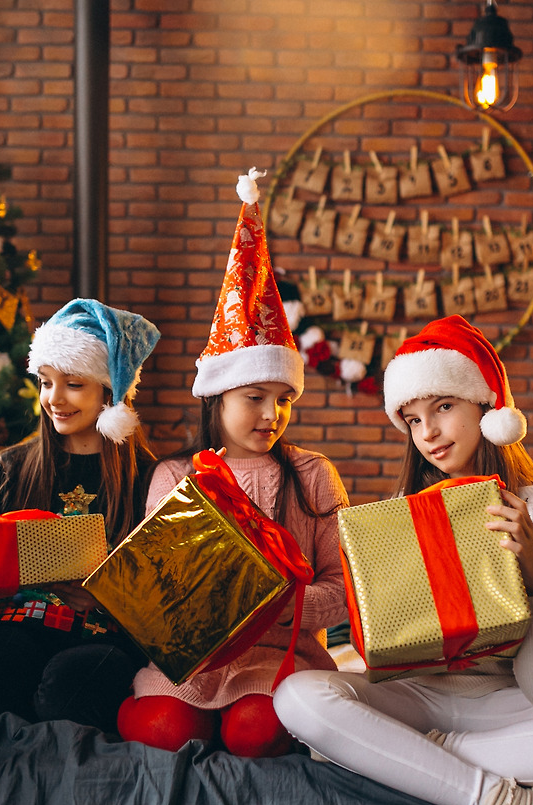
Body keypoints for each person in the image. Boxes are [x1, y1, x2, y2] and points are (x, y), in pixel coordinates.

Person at [273, 316, 533, 805]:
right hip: (416, 696)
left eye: (444, 407)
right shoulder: (400, 515)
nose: (428, 432)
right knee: (296, 698)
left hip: (508, 708)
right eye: (412, 419)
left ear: (488, 409)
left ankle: (413, 757)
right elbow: (388, 661)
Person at [115, 169, 350, 760]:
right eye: (254, 398)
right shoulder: (175, 478)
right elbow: (158, 591)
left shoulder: (313, 474)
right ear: (216, 399)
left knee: (256, 732)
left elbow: (345, 587)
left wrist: (274, 602)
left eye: (284, 399)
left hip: (280, 659)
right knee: (162, 732)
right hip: (193, 663)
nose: (272, 414)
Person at [0, 298, 161, 736]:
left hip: (105, 640)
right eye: (45, 382)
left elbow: (168, 604)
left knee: (65, 696)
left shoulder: (149, 478)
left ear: (109, 391)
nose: (53, 399)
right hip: (19, 628)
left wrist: (107, 594)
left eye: (73, 384)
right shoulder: (10, 469)